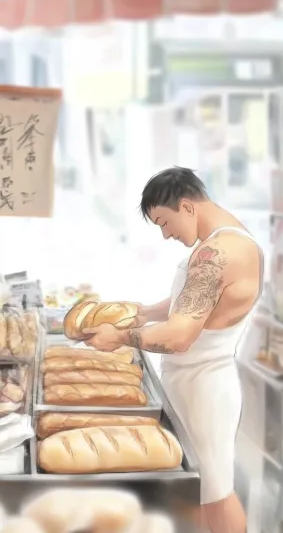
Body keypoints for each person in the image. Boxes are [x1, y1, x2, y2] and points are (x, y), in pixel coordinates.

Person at [85, 166, 263, 533]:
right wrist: (140, 313)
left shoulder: (216, 252)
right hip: (196, 383)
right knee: (202, 492)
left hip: (204, 388)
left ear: (187, 206)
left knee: (217, 492)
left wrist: (116, 339)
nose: (166, 235)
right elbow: (191, 304)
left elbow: (180, 336)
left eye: (164, 223)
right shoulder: (228, 241)